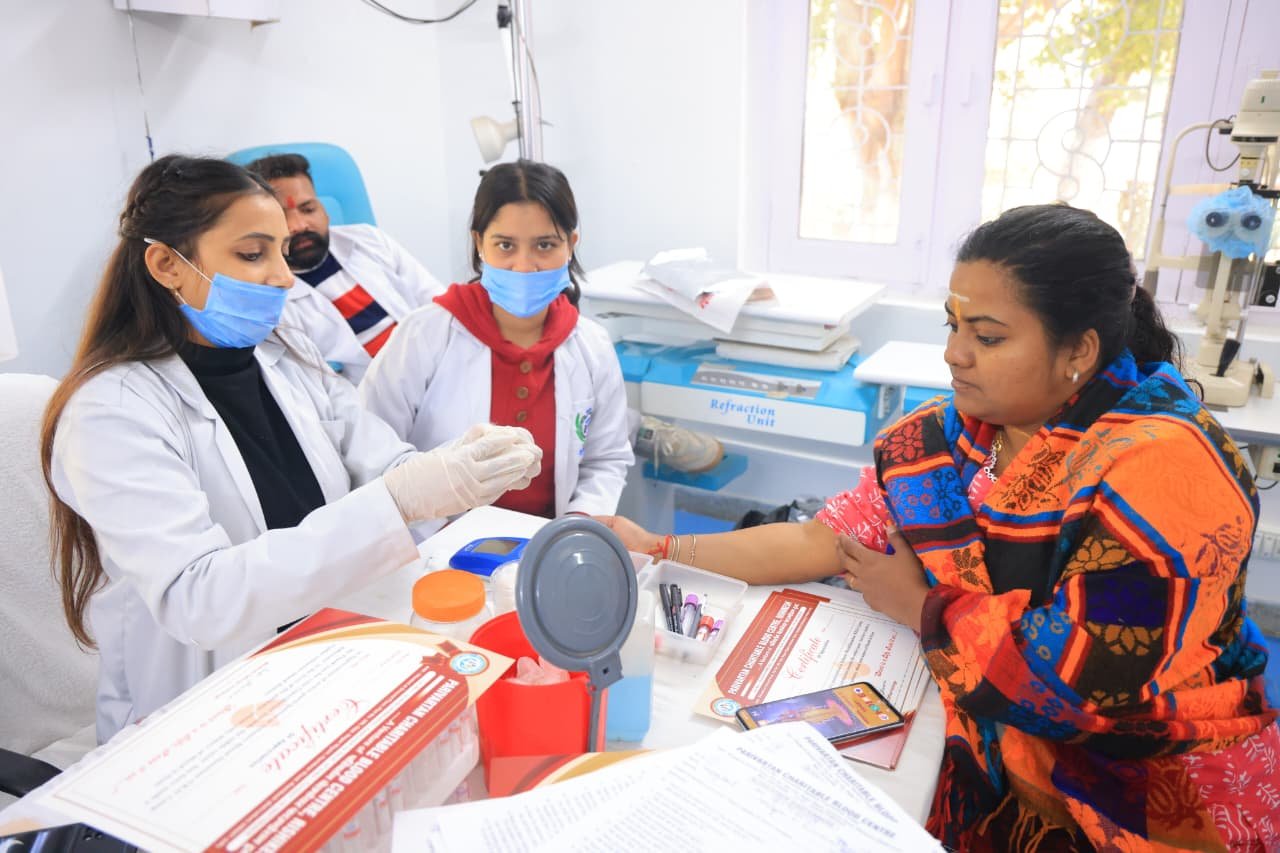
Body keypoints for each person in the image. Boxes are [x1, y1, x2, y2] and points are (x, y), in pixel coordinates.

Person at [602, 204, 1280, 851]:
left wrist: (921, 606)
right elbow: (824, 539)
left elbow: (1088, 683)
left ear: (1078, 348)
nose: (955, 354)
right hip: (989, 740)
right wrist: (659, 546)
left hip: (1149, 789)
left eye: (988, 337)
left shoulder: (1164, 468)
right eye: (952, 326)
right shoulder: (952, 438)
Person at [42, 155, 542, 743]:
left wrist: (456, 468)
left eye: (281, 252)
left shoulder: (284, 350)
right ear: (166, 264)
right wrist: (401, 499)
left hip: (326, 656)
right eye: (254, 254)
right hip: (203, 714)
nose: (284, 277)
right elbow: (199, 599)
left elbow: (377, 459)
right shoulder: (112, 411)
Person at [360, 160, 633, 526]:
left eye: (545, 245)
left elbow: (606, 460)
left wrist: (574, 527)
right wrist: (433, 535)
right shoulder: (424, 335)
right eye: (505, 245)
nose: (524, 266)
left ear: (570, 245)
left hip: (548, 544)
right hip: (433, 543)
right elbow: (372, 449)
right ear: (479, 243)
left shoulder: (591, 346)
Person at [244, 153, 445, 384]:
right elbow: (319, 386)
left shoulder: (368, 239)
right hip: (368, 395)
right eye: (282, 216)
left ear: (323, 209)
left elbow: (436, 303)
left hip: (433, 365)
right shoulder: (271, 299)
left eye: (308, 209)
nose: (299, 225)